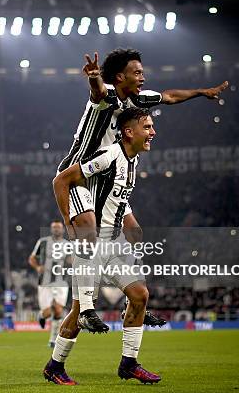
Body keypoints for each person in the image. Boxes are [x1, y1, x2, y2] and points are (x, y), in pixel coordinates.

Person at [57, 48, 229, 330]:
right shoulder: (109, 94)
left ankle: (129, 300)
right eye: (137, 72)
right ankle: (86, 307)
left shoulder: (137, 101)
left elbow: (170, 96)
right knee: (87, 225)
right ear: (119, 76)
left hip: (111, 177)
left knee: (135, 232)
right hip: (80, 174)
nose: (143, 77)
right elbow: (98, 92)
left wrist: (202, 92)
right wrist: (94, 78)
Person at [44, 107, 161, 385]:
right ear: (128, 132)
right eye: (147, 127)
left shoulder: (133, 162)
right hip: (92, 244)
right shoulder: (110, 155)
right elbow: (61, 180)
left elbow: (117, 198)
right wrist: (70, 225)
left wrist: (132, 227)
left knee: (140, 295)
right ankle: (54, 366)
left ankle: (129, 364)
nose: (153, 133)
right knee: (80, 311)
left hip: (114, 244)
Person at [28, 220, 72, 347]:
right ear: (51, 229)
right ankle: (42, 315)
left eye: (59, 228)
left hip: (61, 281)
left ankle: (53, 340)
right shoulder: (43, 242)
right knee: (47, 312)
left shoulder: (67, 244)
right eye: (54, 228)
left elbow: (71, 260)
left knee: (58, 310)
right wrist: (37, 267)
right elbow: (31, 258)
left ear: (63, 230)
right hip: (45, 282)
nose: (56, 230)